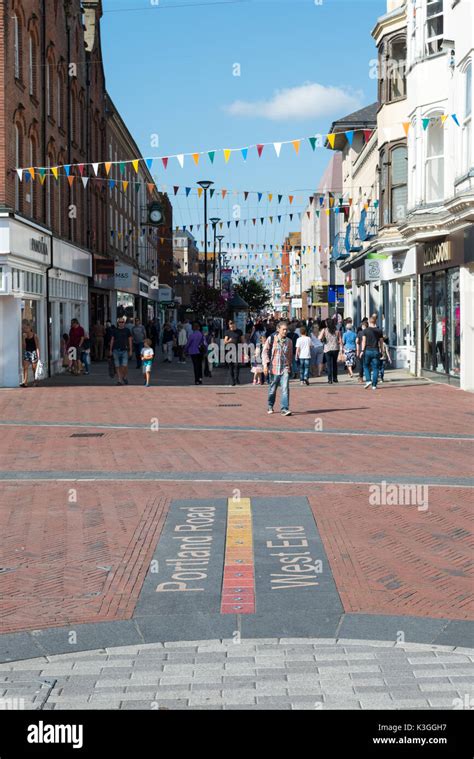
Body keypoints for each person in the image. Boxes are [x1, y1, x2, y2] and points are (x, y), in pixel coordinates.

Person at [262, 320, 293, 416]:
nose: (285, 331)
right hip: (274, 368)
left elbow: (289, 355)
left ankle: (284, 409)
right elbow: (265, 352)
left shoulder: (289, 341)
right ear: (278, 329)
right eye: (283, 329)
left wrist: (289, 366)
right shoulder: (271, 339)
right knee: (272, 389)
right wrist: (265, 365)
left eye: (286, 330)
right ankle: (270, 405)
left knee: (285, 389)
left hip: (284, 368)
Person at [361, 315, 384, 390]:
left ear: (369, 322)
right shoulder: (379, 331)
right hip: (376, 350)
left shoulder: (365, 331)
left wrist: (362, 351)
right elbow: (381, 342)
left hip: (367, 350)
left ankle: (368, 380)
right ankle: (374, 385)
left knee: (366, 366)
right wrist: (382, 351)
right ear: (375, 321)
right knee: (376, 368)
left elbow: (363, 341)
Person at [109, 317, 133, 385]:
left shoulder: (127, 330)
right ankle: (119, 380)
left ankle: (124, 377)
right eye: (120, 322)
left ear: (124, 323)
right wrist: (110, 350)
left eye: (122, 322)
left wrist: (130, 350)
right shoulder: (114, 330)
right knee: (117, 366)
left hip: (124, 350)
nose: (121, 323)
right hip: (115, 350)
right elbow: (112, 340)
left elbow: (130, 340)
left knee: (124, 366)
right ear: (118, 323)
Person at [319, 319, 342, 384]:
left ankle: (330, 379)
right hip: (335, 348)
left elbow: (319, 338)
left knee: (329, 365)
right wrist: (341, 349)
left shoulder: (324, 330)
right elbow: (340, 340)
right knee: (335, 364)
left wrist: (323, 338)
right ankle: (335, 378)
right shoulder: (337, 330)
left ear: (327, 323)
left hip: (327, 349)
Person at [224, 319, 243, 387]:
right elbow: (225, 342)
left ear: (235, 325)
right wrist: (229, 341)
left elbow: (242, 340)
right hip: (230, 350)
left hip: (238, 349)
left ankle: (236, 378)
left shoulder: (239, 331)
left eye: (232, 324)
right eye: (230, 325)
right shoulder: (227, 332)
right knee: (230, 366)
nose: (231, 326)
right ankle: (233, 381)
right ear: (229, 325)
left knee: (237, 365)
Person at [356, 318, 368, 384]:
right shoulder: (369, 332)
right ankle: (368, 377)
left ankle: (361, 378)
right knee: (367, 365)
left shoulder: (360, 333)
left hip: (361, 350)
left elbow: (357, 342)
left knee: (361, 365)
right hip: (369, 350)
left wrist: (357, 351)